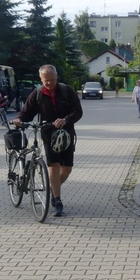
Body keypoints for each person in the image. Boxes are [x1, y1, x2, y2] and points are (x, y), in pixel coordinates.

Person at [12, 64, 83, 217]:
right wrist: (19, 119)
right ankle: (57, 201)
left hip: (66, 134)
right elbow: (26, 112)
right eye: (46, 81)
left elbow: (78, 111)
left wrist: (66, 119)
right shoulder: (37, 94)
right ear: (41, 79)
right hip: (48, 135)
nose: (49, 83)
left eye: (51, 80)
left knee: (67, 168)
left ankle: (52, 187)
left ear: (56, 77)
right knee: (54, 167)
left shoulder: (66, 91)